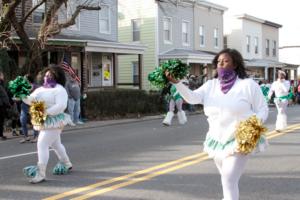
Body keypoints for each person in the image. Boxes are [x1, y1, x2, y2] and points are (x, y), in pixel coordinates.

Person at [165, 48, 269, 200]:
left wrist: (252, 127)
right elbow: (193, 98)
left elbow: (262, 109)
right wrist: (177, 83)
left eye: (225, 61)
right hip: (217, 140)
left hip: (240, 139)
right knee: (228, 182)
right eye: (219, 61)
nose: (221, 64)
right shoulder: (210, 85)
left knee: (228, 179)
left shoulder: (248, 85)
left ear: (234, 65)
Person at [22, 66, 73, 183]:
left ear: (57, 77)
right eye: (46, 75)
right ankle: (67, 163)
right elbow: (31, 100)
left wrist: (47, 112)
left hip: (54, 121)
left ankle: (41, 173)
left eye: (50, 75)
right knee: (56, 144)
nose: (47, 77)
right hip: (43, 119)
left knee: (42, 144)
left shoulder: (60, 89)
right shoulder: (40, 89)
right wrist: (22, 95)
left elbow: (61, 105)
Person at [19, 74, 39, 143]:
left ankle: (36, 136)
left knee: (34, 122)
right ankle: (26, 136)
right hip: (24, 106)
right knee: (23, 121)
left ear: (29, 80)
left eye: (25, 79)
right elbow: (19, 96)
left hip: (33, 105)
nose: (23, 80)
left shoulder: (35, 87)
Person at [0, 71, 10, 140]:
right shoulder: (1, 84)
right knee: (1, 120)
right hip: (0, 105)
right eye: (2, 75)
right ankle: (1, 135)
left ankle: (1, 134)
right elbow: (4, 95)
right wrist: (8, 103)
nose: (3, 76)